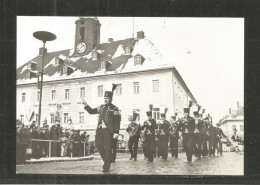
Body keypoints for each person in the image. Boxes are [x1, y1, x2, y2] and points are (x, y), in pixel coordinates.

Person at [83, 84, 121, 172]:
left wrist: (116, 132)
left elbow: (117, 121)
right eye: (104, 98)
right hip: (99, 130)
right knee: (98, 146)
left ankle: (106, 166)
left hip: (108, 131)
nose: (105, 100)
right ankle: (108, 160)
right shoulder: (101, 107)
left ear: (111, 99)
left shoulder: (115, 108)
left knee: (107, 148)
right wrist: (86, 105)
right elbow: (92, 111)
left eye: (107, 98)